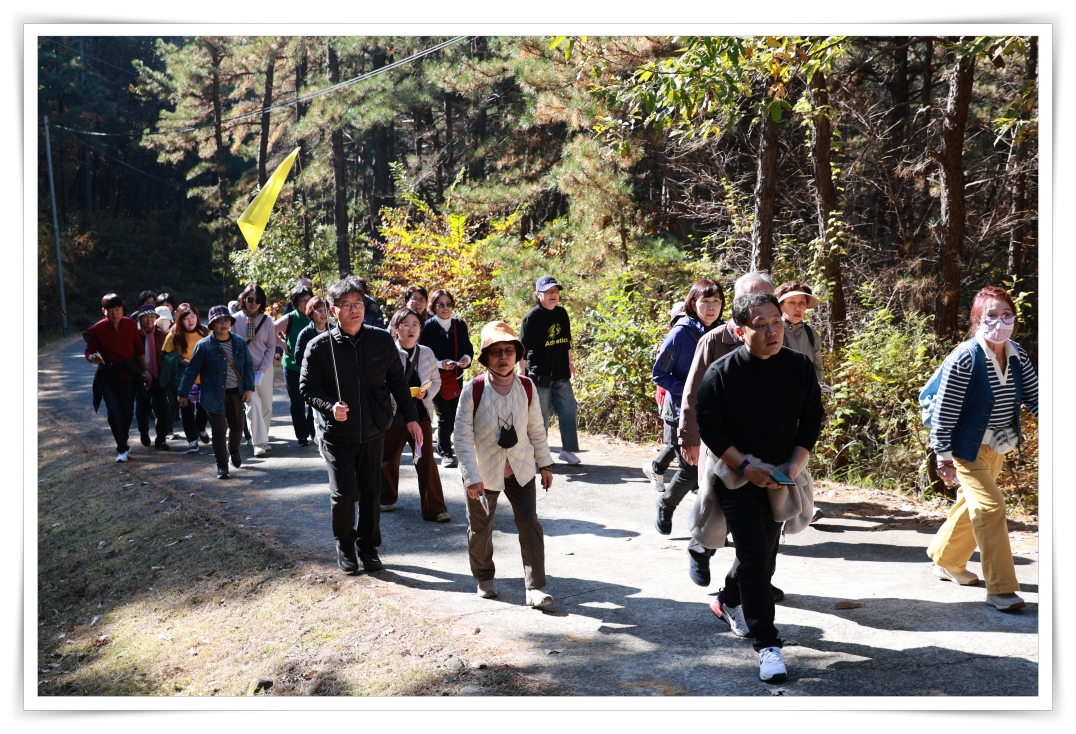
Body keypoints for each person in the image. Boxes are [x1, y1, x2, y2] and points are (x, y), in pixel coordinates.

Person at [696, 291, 824, 684]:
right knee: (754, 554)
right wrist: (745, 467)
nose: (772, 331)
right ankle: (767, 645)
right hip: (736, 475)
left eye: (776, 322)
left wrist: (794, 464)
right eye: (761, 324)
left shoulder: (798, 366)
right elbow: (710, 427)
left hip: (781, 476)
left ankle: (728, 598)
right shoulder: (722, 373)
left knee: (764, 558)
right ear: (740, 331)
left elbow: (813, 417)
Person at [926, 286, 1039, 612]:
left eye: (1006, 314)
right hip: (966, 449)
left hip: (997, 447)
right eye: (991, 315)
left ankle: (946, 560)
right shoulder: (965, 357)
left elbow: (1035, 398)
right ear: (977, 319)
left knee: (970, 505)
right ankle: (1001, 589)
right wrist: (943, 456)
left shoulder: (1017, 354)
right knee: (991, 508)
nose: (999, 322)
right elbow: (945, 411)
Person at [300, 276, 422, 573]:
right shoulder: (319, 347)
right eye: (346, 305)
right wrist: (330, 407)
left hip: (373, 429)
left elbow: (398, 383)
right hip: (337, 434)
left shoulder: (381, 339)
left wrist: (412, 419)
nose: (354, 309)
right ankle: (344, 544)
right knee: (344, 494)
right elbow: (307, 388)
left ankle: (368, 547)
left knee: (371, 492)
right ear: (333, 310)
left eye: (358, 303)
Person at [677, 272, 788, 600]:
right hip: (723, 445)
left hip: (769, 444)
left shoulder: (779, 337)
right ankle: (701, 548)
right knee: (720, 508)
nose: (757, 304)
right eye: (748, 298)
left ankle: (759, 579)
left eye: (764, 297)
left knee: (771, 515)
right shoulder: (714, 340)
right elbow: (693, 393)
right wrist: (689, 436)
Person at [455, 321, 556, 607]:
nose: (503, 357)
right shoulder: (474, 389)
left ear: (517, 355)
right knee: (481, 528)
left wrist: (545, 464)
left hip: (520, 468)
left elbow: (536, 429)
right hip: (483, 472)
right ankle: (484, 577)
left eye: (509, 351)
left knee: (530, 523)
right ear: (485, 357)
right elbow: (461, 437)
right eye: (496, 351)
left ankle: (535, 587)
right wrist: (471, 476)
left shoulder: (527, 386)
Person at [652, 278, 724, 536]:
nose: (711, 307)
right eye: (705, 301)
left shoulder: (725, 333)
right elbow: (660, 373)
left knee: (717, 470)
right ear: (693, 303)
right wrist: (690, 391)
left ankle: (715, 528)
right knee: (691, 470)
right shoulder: (680, 334)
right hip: (680, 411)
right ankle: (666, 504)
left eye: (716, 301)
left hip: (715, 412)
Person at [379, 308, 450, 521]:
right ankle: (385, 498)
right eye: (406, 325)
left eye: (416, 325)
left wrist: (426, 393)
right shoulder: (387, 352)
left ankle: (435, 508)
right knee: (388, 459)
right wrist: (398, 396)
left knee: (426, 460)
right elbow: (379, 385)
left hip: (421, 414)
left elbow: (436, 381)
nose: (411, 329)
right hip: (394, 415)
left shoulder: (427, 352)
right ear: (396, 328)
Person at [177, 306, 255, 479]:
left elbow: (248, 366)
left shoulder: (239, 342)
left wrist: (249, 388)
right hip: (212, 395)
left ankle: (233, 449)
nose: (223, 323)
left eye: (226, 320)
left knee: (238, 428)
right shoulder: (204, 345)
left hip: (236, 393)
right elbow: (191, 370)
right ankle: (222, 465)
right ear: (212, 324)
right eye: (219, 321)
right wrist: (183, 392)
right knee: (219, 430)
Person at [518, 275, 581, 465]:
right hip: (540, 375)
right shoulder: (531, 318)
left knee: (569, 409)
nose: (553, 295)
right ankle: (539, 453)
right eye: (548, 291)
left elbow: (566, 342)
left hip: (561, 373)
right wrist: (521, 373)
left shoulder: (562, 313)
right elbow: (522, 349)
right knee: (541, 417)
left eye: (556, 291)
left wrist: (571, 363)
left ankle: (567, 450)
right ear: (538, 294)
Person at [84, 293, 149, 462]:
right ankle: (122, 448)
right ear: (104, 311)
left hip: (129, 374)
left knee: (127, 411)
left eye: (118, 308)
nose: (115, 313)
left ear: (122, 309)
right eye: (111, 309)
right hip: (108, 376)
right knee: (113, 412)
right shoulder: (97, 329)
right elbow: (89, 350)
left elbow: (138, 349)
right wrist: (92, 357)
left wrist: (145, 369)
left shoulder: (130, 324)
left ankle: (123, 439)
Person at [419, 288, 474, 468]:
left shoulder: (459, 324)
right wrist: (440, 364)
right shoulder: (427, 327)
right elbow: (421, 355)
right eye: (440, 305)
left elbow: (468, 348)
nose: (445, 308)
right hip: (435, 379)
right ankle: (446, 453)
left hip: (455, 378)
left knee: (455, 415)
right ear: (433, 307)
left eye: (448, 304)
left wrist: (466, 359)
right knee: (445, 417)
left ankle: (442, 445)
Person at [643, 303, 687, 493]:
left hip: (685, 400)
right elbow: (661, 376)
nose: (682, 323)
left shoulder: (694, 338)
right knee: (677, 443)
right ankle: (657, 469)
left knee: (679, 442)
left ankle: (657, 469)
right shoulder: (671, 341)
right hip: (669, 399)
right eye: (678, 319)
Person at [233, 283, 277, 458]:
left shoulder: (268, 321)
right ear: (244, 299)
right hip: (243, 371)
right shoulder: (234, 320)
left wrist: (263, 369)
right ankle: (257, 443)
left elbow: (271, 346)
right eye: (251, 299)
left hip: (264, 369)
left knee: (266, 406)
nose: (254, 304)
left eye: (258, 301)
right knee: (252, 405)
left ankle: (263, 439)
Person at [162, 303, 210, 453]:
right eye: (186, 318)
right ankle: (192, 440)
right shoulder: (174, 334)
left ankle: (200, 427)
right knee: (187, 410)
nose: (191, 321)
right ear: (179, 319)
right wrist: (181, 361)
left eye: (193, 316)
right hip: (185, 379)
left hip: (204, 378)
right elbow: (164, 355)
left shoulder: (205, 331)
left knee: (204, 408)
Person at [276, 284, 314, 446]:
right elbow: (270, 330)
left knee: (315, 402)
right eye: (302, 301)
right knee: (297, 403)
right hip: (293, 367)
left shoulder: (317, 316)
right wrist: (283, 346)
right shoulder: (290, 318)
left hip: (314, 368)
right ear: (295, 303)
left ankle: (314, 432)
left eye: (308, 299)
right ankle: (302, 436)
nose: (306, 303)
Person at [132, 304, 172, 450]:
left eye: (152, 317)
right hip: (140, 376)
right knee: (142, 408)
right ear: (139, 319)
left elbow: (168, 355)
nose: (149, 320)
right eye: (146, 317)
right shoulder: (134, 336)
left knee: (162, 408)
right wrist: (141, 373)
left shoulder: (162, 335)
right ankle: (143, 432)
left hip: (159, 376)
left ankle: (161, 439)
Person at [774, 280, 827, 389]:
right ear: (780, 305)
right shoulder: (772, 333)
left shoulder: (812, 335)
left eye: (802, 302)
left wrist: (810, 391)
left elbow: (818, 369)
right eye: (792, 302)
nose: (798, 308)